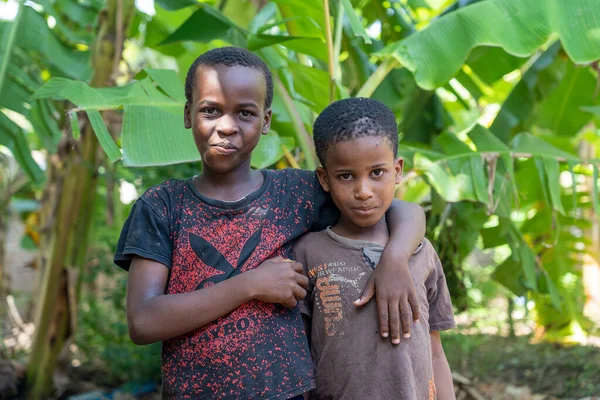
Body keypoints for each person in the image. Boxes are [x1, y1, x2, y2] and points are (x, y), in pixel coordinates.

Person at [114, 47, 425, 399]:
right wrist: (250, 285)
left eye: (245, 113)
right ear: (188, 114)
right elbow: (143, 320)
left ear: (265, 121)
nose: (226, 126)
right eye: (210, 110)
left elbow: (402, 210)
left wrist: (395, 259)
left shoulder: (296, 193)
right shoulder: (162, 206)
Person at [294, 97, 456, 400]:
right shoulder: (308, 253)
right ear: (324, 179)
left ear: (397, 170)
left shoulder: (422, 253)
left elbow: (435, 352)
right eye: (346, 176)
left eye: (377, 173)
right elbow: (298, 358)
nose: (363, 191)